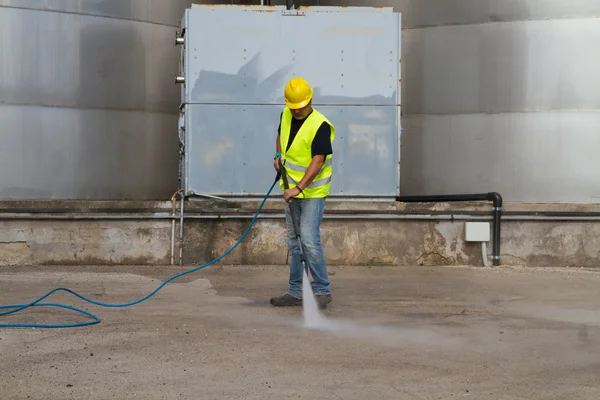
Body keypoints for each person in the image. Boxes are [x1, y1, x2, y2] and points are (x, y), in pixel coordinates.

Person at [270, 77, 336, 310]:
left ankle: (321, 290)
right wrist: (278, 156)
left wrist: (298, 188)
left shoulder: (320, 125)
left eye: (300, 108)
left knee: (308, 238)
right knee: (294, 243)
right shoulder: (286, 114)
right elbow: (281, 136)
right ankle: (296, 292)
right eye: (293, 108)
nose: (296, 112)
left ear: (309, 100)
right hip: (290, 190)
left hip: (312, 192)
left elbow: (318, 161)